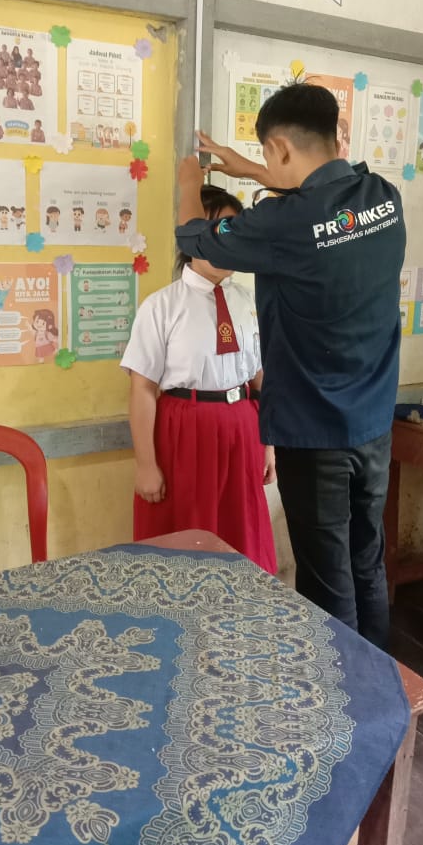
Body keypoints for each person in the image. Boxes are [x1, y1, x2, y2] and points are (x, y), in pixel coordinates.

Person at [175, 83, 406, 650]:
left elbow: (196, 239)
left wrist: (187, 185)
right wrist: (254, 170)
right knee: (367, 561)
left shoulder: (282, 223)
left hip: (314, 432)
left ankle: (343, 697)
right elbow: (321, 207)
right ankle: (382, 679)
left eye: (268, 155)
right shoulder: (384, 197)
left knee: (327, 581)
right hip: (374, 425)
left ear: (279, 147)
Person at [121, 184, 277, 574]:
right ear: (192, 237)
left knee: (241, 532)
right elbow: (142, 389)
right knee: (186, 536)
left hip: (243, 430)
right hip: (184, 431)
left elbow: (259, 376)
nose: (230, 242)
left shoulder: (248, 300)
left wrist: (268, 445)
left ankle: (239, 606)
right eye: (220, 231)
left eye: (236, 231)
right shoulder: (161, 306)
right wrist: (145, 464)